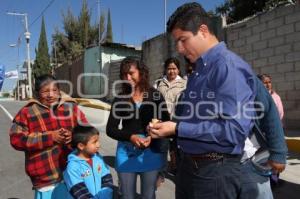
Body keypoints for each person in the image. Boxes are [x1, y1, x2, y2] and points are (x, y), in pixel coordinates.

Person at [148, 2, 266, 198]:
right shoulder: (199, 71)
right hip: (190, 169)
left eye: (183, 40)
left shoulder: (228, 67)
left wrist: (177, 129)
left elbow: (233, 131)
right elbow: (197, 119)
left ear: (202, 30)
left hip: (215, 173)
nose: (179, 49)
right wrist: (170, 127)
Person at [10, 74, 88, 199]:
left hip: (74, 172)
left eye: (54, 90)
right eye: (45, 91)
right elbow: (16, 139)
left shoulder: (71, 107)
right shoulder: (27, 112)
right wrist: (50, 137)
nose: (51, 95)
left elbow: (87, 130)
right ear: (37, 93)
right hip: (46, 177)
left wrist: (73, 137)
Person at [106, 56, 170, 199]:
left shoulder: (155, 95)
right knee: (127, 196)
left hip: (151, 153)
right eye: (124, 74)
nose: (127, 77)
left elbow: (167, 122)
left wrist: (153, 133)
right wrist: (130, 137)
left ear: (141, 72)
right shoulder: (120, 99)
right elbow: (111, 129)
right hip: (126, 154)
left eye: (131, 73)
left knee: (148, 195)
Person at [154, 57, 186, 181]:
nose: (171, 71)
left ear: (178, 70)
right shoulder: (159, 83)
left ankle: (178, 172)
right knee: (162, 148)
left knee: (177, 149)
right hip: (162, 121)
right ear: (165, 70)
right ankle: (160, 173)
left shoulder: (184, 84)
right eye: (169, 68)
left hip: (177, 122)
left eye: (174, 68)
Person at [63, 125, 113, 199]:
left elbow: (106, 178)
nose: (98, 145)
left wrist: (105, 195)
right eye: (94, 142)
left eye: (98, 141)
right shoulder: (73, 167)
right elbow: (79, 191)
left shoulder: (98, 158)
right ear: (81, 146)